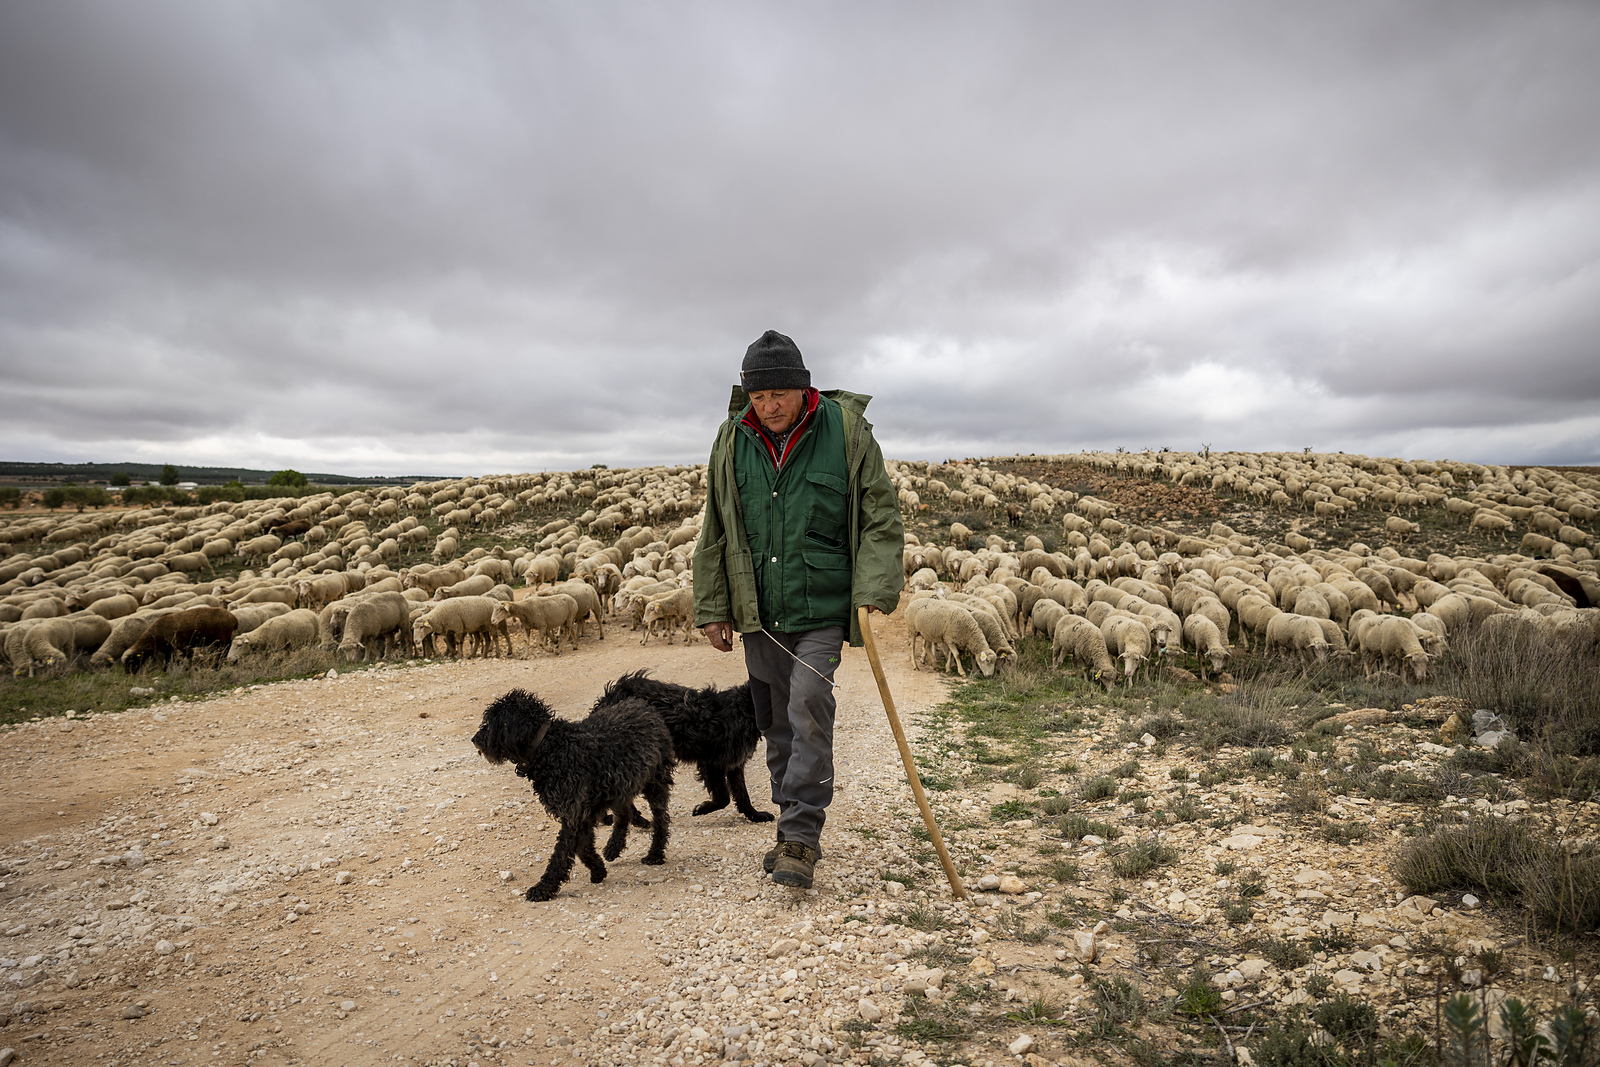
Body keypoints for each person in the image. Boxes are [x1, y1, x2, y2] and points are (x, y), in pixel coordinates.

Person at [692, 330, 904, 889]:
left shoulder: (847, 432)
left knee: (808, 703)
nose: (769, 407)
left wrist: (872, 589)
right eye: (759, 398)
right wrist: (714, 605)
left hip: (822, 604)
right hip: (759, 606)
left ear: (802, 388)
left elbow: (879, 515)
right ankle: (790, 823)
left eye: (779, 395)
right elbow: (717, 523)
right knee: (775, 721)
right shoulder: (731, 438)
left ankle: (801, 838)